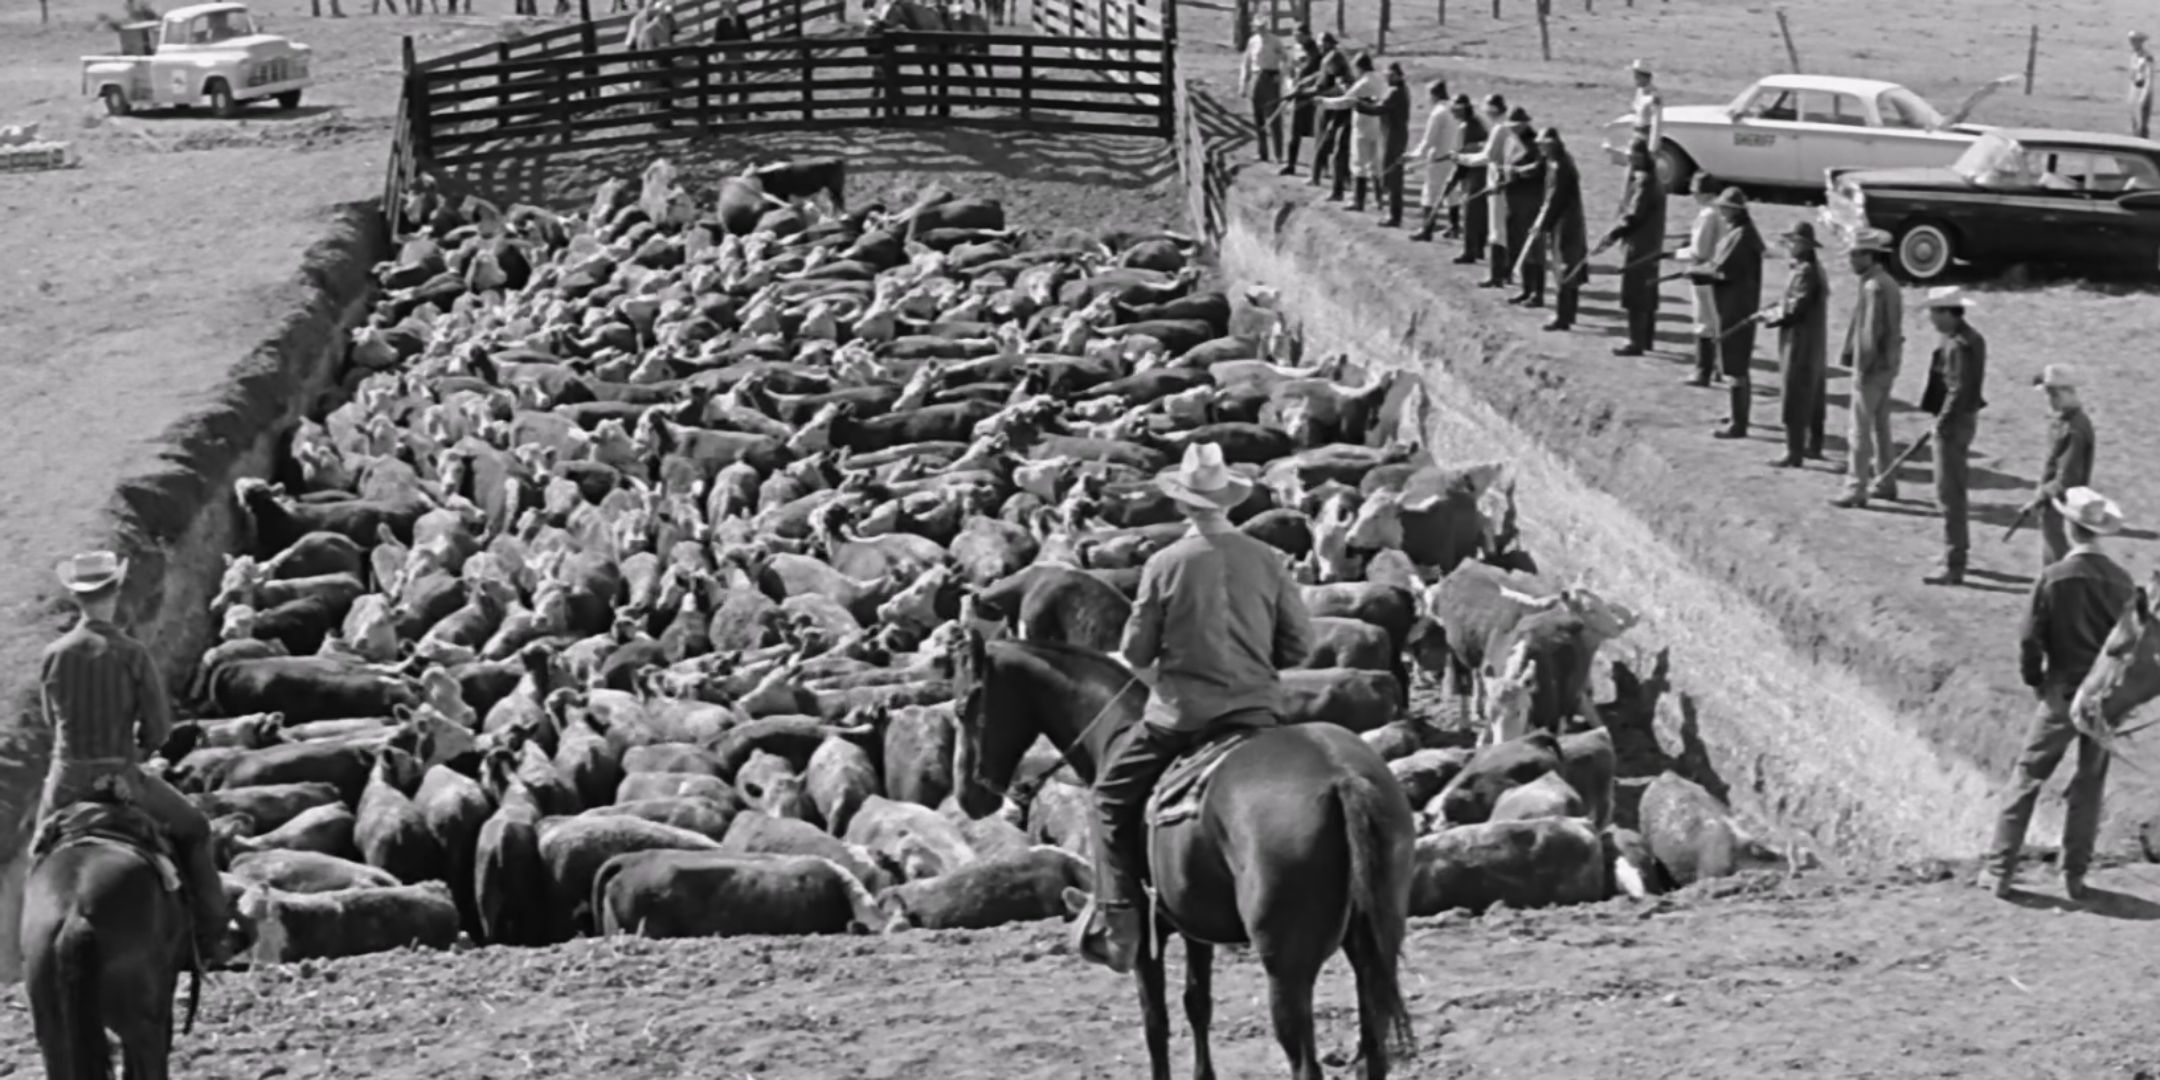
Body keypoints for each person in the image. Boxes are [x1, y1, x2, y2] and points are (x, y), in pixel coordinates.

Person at [1072, 443, 1316, 973]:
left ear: (1183, 504)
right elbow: (1300, 647)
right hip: (1256, 713)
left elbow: (1136, 653)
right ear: (1228, 502)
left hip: (1183, 717)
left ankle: (1121, 927)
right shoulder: (1267, 559)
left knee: (1107, 801)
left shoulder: (1165, 563)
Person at [38, 551, 231, 967]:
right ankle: (214, 931)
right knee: (195, 828)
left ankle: (26, 945)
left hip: (66, 779)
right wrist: (137, 751)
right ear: (115, 593)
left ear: (77, 598)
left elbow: (49, 719)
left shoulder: (54, 654)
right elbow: (159, 731)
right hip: (122, 776)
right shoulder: (131, 653)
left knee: (40, 852)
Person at [1978, 486, 2136, 901]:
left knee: (2028, 775)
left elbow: (2031, 637)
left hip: (2063, 688)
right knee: (2090, 783)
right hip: (2103, 694)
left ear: (2069, 526)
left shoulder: (2054, 578)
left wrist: (2035, 679)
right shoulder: (2122, 582)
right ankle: (2074, 875)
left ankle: (2000, 870)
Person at [1917, 285, 1988, 587]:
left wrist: (1941, 423)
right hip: (1964, 419)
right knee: (1952, 491)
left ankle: (1954, 562)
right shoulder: (1971, 338)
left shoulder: (1959, 345)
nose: (1931, 318)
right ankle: (1953, 552)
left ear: (1948, 312)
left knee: (1949, 494)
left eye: (1934, 312)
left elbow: (1957, 390)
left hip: (1954, 424)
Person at [1831, 227, 1907, 510]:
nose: (1850, 261)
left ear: (1868, 255)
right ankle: (1886, 481)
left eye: (1854, 255)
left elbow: (1870, 333)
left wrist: (1861, 367)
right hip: (1888, 364)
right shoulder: (1887, 282)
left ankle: (1855, 487)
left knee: (1859, 430)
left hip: (1872, 367)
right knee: (1881, 426)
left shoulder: (1873, 286)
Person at [1688, 188, 1764, 439]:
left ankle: (1738, 424)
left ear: (1735, 210)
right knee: (1733, 364)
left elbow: (1722, 269)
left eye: (1725, 208)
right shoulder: (1738, 233)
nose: (1721, 212)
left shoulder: (1742, 237)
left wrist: (1698, 273)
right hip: (1732, 304)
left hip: (1737, 306)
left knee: (1736, 366)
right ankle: (1735, 414)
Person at [1759, 221, 1829, 469]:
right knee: (1812, 393)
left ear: (1803, 244)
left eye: (1792, 241)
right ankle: (1813, 445)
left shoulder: (1806, 271)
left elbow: (1794, 308)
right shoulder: (1810, 269)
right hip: (1811, 341)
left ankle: (1794, 451)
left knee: (1795, 393)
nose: (1788, 245)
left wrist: (1770, 316)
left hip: (1800, 341)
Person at [2022, 364, 2096, 567]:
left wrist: (2040, 496)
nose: (2048, 400)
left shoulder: (2073, 430)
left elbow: (2067, 478)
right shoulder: (2065, 422)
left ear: (2060, 394)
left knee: (2058, 554)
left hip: (2061, 502)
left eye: (2050, 395)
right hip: (2055, 500)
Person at [1598, 135, 1665, 356]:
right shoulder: (1651, 178)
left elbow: (1633, 216)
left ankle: (1635, 342)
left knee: (1636, 294)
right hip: (1651, 244)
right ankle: (1645, 340)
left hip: (1640, 245)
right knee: (1647, 293)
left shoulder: (1644, 182)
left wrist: (1611, 236)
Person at [1520, 126, 1586, 330]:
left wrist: (1540, 225)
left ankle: (1563, 317)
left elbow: (1554, 200)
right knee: (1567, 267)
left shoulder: (1561, 166)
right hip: (1564, 221)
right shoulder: (1554, 161)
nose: (1539, 148)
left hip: (1565, 224)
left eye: (1542, 145)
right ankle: (1568, 314)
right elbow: (1537, 169)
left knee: (1563, 268)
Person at [1453, 95, 1515, 287]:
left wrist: (1461, 158)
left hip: (1497, 182)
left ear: (1493, 109)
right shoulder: (1508, 126)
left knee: (1497, 231)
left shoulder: (1499, 128)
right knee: (1505, 229)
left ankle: (1496, 276)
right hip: (1508, 182)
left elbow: (1486, 157)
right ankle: (1506, 272)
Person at [1675, 174, 1729, 387]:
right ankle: (1719, 367)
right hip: (1720, 271)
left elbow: (1699, 251)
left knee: (1703, 323)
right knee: (1716, 321)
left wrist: (1677, 254)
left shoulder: (1707, 214)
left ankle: (1702, 371)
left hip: (1703, 273)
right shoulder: (1722, 212)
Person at [1319, 53, 1385, 210]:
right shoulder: (1379, 78)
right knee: (1375, 163)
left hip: (1362, 124)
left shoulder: (1363, 83)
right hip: (1377, 123)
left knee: (1359, 162)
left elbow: (1346, 101)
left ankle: (1358, 200)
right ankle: (1378, 198)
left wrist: (1324, 102)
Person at [1360, 62, 1413, 227]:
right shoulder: (1399, 90)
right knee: (1391, 175)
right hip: (1394, 135)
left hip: (1393, 137)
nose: (1387, 78)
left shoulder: (1395, 92)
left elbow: (1378, 110)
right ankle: (1392, 213)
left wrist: (1357, 104)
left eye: (1389, 76)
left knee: (1392, 176)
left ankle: (1394, 216)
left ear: (1396, 76)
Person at [1407, 79, 1457, 241]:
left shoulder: (1438, 113)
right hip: (1455, 156)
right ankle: (1454, 227)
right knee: (1452, 193)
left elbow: (1429, 140)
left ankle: (1427, 229)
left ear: (1434, 95)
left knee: (1430, 194)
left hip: (1439, 158)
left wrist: (1414, 155)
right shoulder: (1454, 109)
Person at [1307, 33, 1356, 198]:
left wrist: (1322, 96)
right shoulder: (1330, 58)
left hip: (1336, 109)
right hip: (1331, 106)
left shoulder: (1336, 62)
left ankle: (1325, 178)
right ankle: (1323, 176)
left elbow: (1341, 88)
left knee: (1327, 144)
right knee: (1328, 144)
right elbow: (1320, 76)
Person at [1446, 95, 1489, 264]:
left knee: (1470, 214)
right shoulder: (1478, 122)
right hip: (1482, 171)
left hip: (1474, 172)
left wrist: (1453, 180)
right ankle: (1479, 249)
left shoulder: (1465, 127)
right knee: (1480, 214)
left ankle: (1469, 252)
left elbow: (1462, 156)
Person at [1239, 27, 1286, 163]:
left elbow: (1285, 58)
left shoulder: (1275, 41)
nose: (1260, 29)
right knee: (1258, 116)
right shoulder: (1252, 41)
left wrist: (1281, 75)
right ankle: (1262, 152)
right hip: (1256, 76)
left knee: (1274, 116)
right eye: (1257, 26)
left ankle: (1278, 154)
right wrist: (1243, 83)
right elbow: (1246, 62)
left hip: (1271, 77)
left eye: (1262, 26)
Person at [1281, 25, 1323, 174]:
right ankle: (1291, 164)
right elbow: (1289, 69)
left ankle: (1321, 167)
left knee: (1317, 131)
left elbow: (1320, 73)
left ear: (1307, 35)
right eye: (1294, 34)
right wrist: (1290, 84)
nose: (1296, 37)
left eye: (1299, 34)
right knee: (1294, 132)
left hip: (1312, 95)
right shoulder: (1295, 49)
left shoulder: (1317, 51)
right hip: (1296, 94)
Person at [1629, 58, 1664, 151]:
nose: (1635, 80)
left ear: (1646, 78)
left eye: (1637, 77)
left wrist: (1652, 147)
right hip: (1635, 139)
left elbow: (1656, 122)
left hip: (1645, 141)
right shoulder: (1639, 91)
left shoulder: (1654, 96)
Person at [2132, 31, 2154, 139]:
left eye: (2134, 40)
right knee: (2135, 123)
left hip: (2144, 91)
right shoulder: (2135, 55)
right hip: (2137, 90)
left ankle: (2143, 148)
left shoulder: (2147, 56)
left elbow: (2149, 77)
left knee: (2142, 125)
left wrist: (2143, 97)